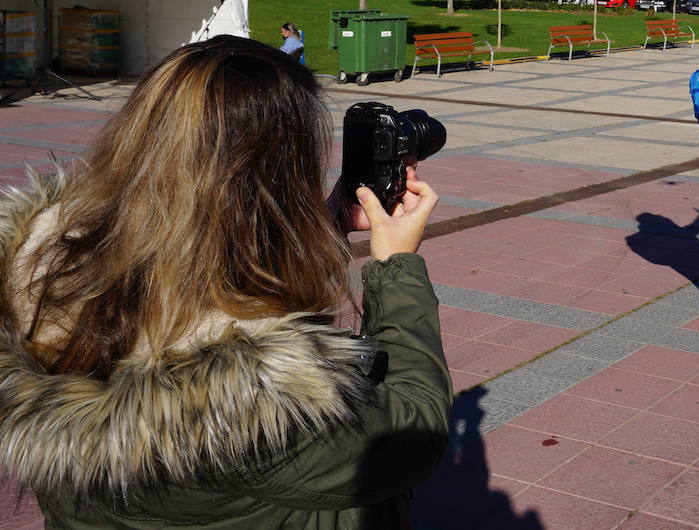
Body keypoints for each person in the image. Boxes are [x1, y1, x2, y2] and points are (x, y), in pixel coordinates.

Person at [0, 36, 449, 527]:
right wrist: (396, 268)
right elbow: (413, 434)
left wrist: (321, 225)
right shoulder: (258, 403)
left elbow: (190, 258)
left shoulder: (40, 271)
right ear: (274, 180)